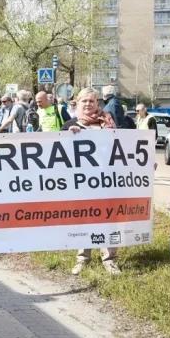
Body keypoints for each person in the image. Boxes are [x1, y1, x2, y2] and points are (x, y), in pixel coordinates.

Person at [61, 88, 120, 275]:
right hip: (82, 183)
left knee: (108, 220)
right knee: (84, 220)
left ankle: (109, 259)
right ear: (77, 103)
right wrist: (69, 137)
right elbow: (57, 154)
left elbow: (123, 146)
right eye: (84, 101)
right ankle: (82, 258)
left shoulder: (108, 123)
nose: (88, 104)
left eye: (91, 101)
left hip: (107, 180)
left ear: (97, 103)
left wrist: (143, 163)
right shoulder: (69, 124)